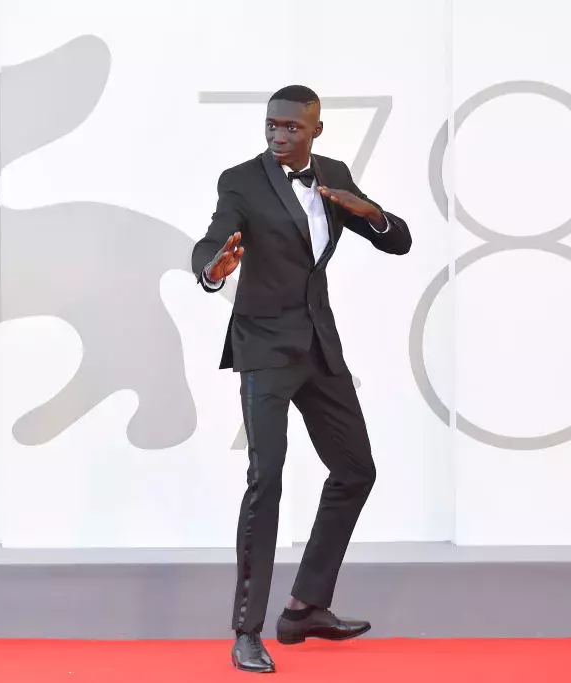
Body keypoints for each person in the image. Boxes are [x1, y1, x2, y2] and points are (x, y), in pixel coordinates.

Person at [190, 85, 412, 673]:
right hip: (264, 348)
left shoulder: (333, 174)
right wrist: (213, 269)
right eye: (272, 125)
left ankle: (305, 606)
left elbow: (399, 242)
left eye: (292, 127)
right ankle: (247, 631)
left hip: (318, 347)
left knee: (355, 470)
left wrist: (369, 212)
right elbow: (214, 238)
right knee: (266, 481)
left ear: (316, 129)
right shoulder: (240, 181)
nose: (279, 135)